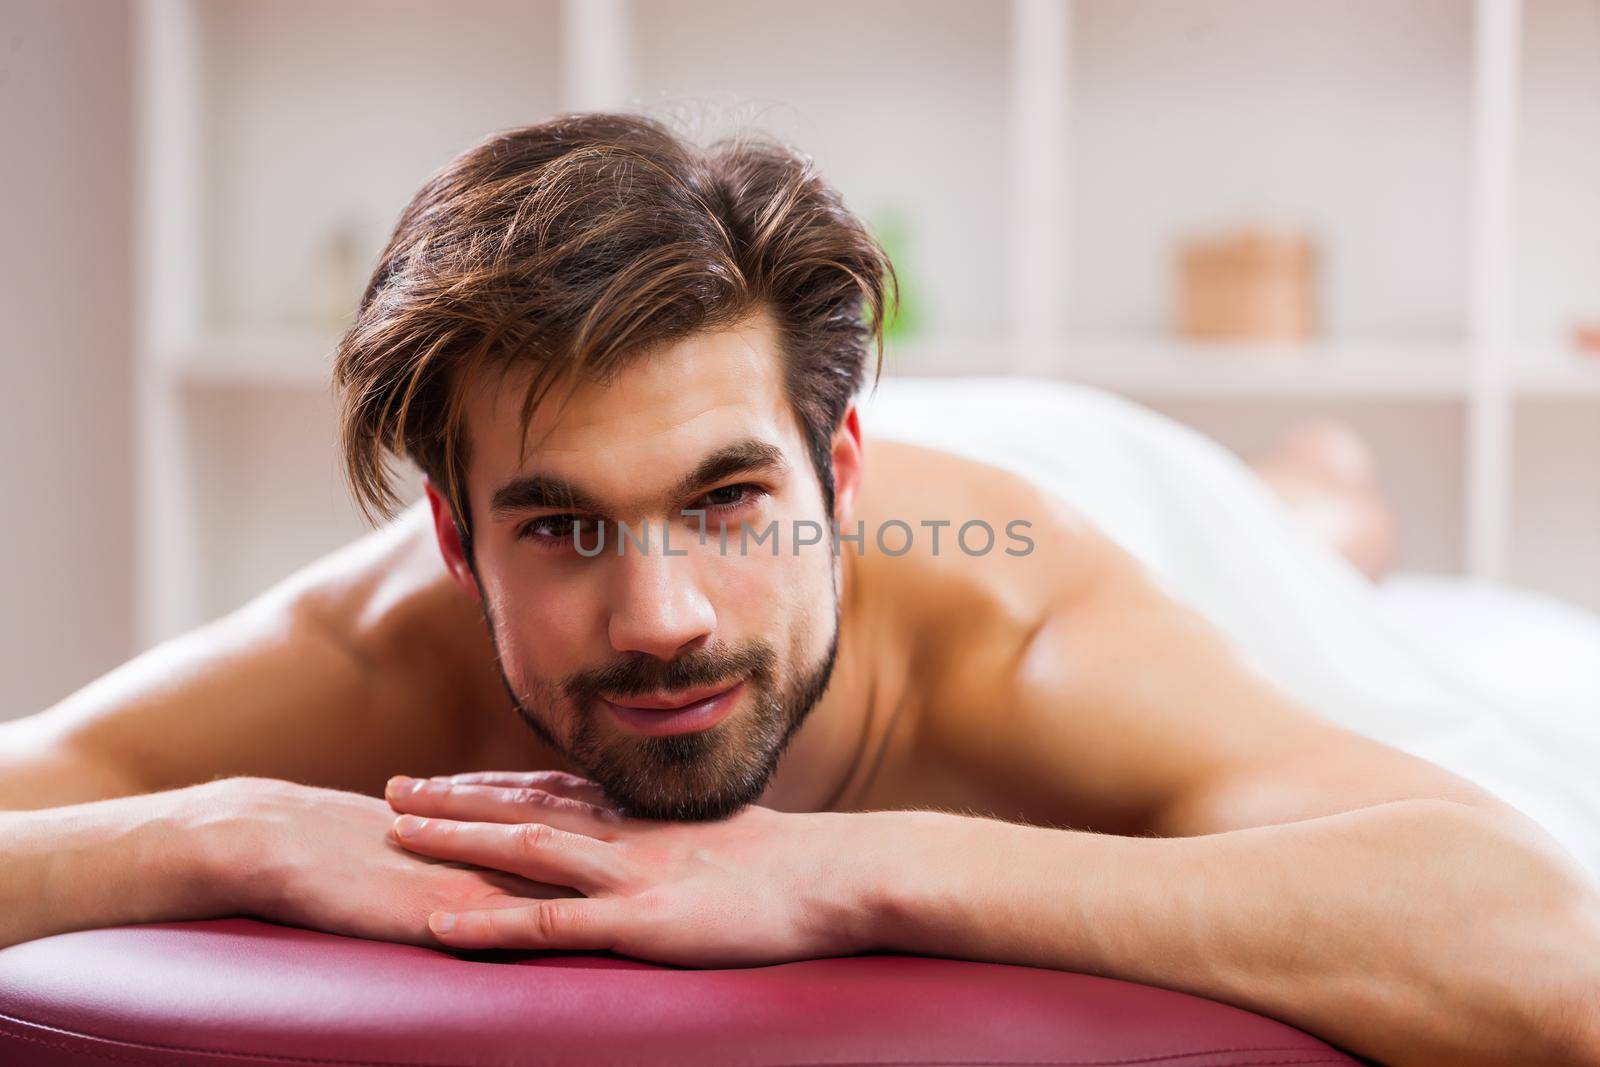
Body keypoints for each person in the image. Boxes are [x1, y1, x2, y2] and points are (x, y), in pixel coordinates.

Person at [1, 114, 1595, 1067]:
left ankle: (1317, 509)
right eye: (559, 528)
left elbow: (1549, 954)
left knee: (1326, 574)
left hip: (1104, 496)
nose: (660, 619)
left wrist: (847, 870)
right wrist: (224, 825)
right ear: (452, 537)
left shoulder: (1028, 632)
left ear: (836, 474)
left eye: (724, 505)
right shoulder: (370, 655)